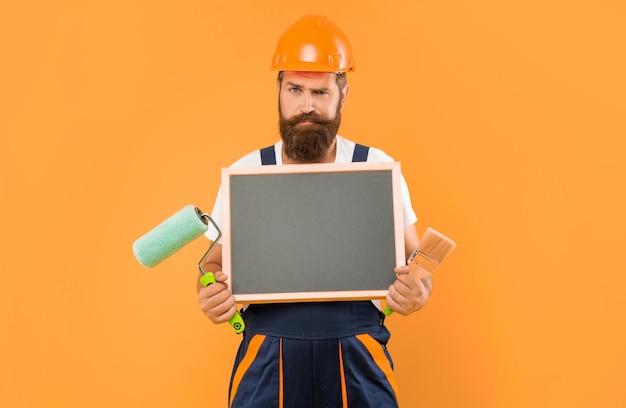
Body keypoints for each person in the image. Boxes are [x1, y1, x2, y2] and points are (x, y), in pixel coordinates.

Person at [197, 15, 432, 408]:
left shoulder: (375, 167)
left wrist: (418, 294)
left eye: (320, 93)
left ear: (343, 93)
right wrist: (209, 294)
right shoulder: (247, 173)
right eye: (295, 89)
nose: (306, 106)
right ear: (279, 91)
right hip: (267, 358)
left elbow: (418, 266)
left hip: (357, 354)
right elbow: (209, 266)